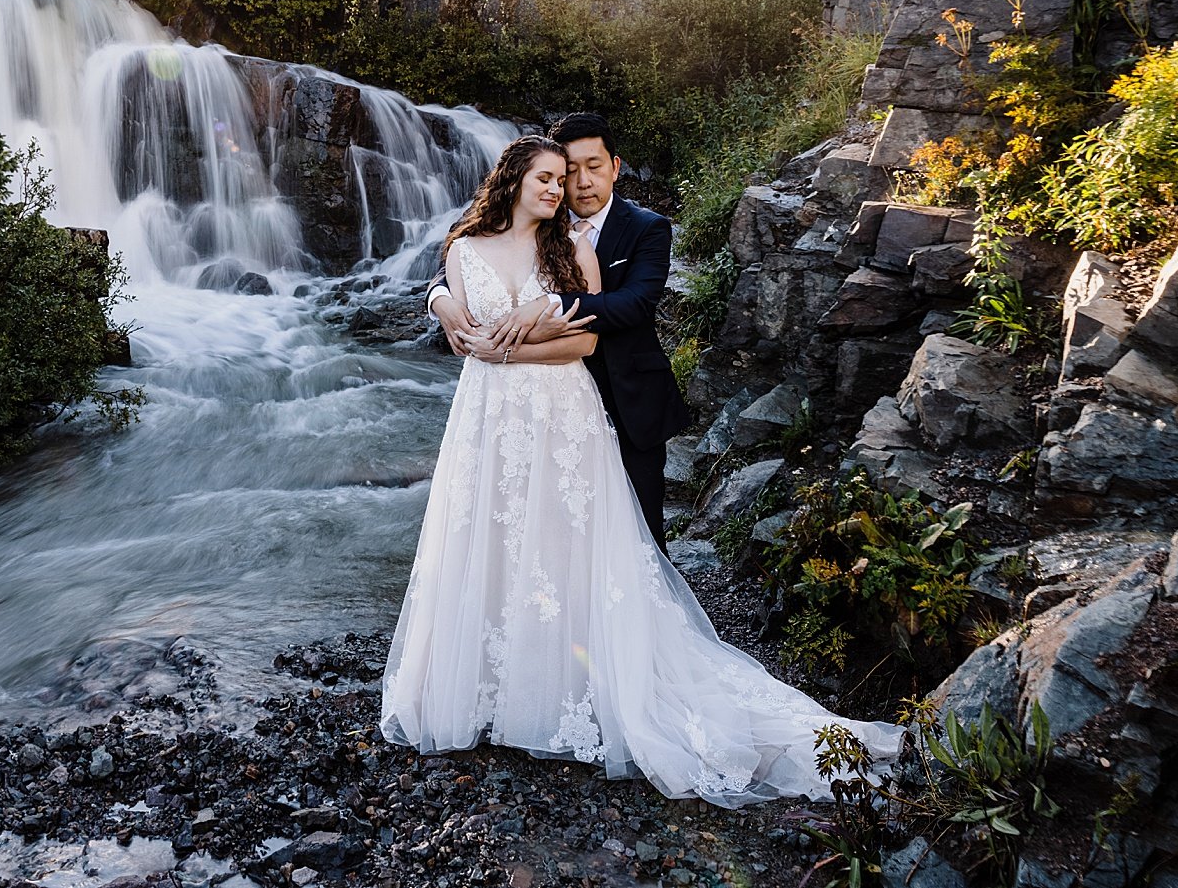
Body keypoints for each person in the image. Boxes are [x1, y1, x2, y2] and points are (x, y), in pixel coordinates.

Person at [382, 135, 904, 806]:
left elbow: (589, 338)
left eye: (563, 178)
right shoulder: (460, 249)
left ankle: (567, 685)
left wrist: (518, 339)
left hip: (561, 406)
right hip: (486, 416)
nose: (556, 188)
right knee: (491, 533)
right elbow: (456, 317)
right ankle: (490, 680)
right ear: (511, 179)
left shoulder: (571, 249)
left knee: (565, 541)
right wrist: (446, 307)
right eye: (544, 178)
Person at [427, 114, 690, 552]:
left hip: (626, 398)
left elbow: (636, 304)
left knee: (638, 540)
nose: (581, 182)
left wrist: (546, 306)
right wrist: (439, 299)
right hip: (531, 405)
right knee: (536, 530)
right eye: (570, 171)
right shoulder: (536, 217)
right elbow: (461, 261)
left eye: (595, 166)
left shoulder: (647, 228)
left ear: (616, 167)